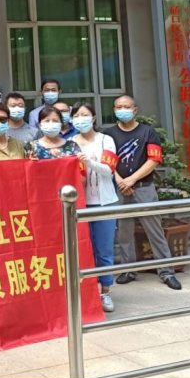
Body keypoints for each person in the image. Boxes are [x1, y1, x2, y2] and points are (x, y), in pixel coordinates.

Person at [104, 95, 181, 290]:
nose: (123, 110)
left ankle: (166, 272)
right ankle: (128, 270)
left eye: (126, 107)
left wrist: (132, 179)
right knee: (124, 233)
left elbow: (154, 160)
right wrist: (121, 181)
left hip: (144, 188)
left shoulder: (148, 131)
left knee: (155, 231)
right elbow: (107, 162)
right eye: (119, 107)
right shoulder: (108, 134)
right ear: (114, 111)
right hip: (119, 190)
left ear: (135, 110)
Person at [70, 102, 119, 312]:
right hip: (78, 205)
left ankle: (105, 291)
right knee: (81, 250)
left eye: (85, 115)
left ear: (94, 118)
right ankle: (84, 292)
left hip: (104, 203)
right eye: (76, 116)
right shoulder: (70, 142)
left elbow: (109, 169)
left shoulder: (106, 140)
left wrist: (89, 162)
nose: (81, 119)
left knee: (104, 250)